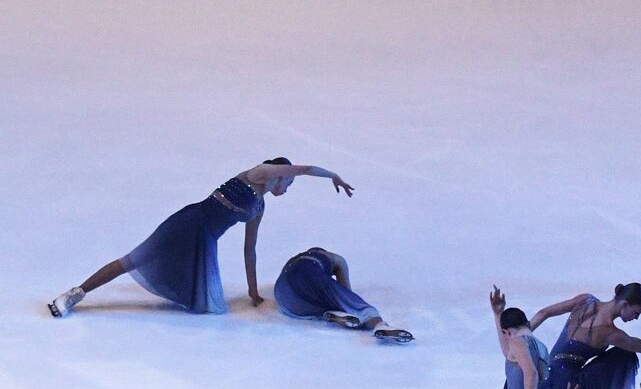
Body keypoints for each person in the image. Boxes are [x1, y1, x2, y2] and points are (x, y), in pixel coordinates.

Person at [48, 158, 353, 317]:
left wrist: (252, 292)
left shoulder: (259, 206)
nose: (287, 189)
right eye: (289, 183)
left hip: (205, 242)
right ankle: (74, 294)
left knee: (213, 308)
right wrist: (333, 176)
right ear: (282, 175)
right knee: (133, 260)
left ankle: (78, 293)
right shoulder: (259, 173)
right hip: (188, 223)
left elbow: (250, 250)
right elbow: (307, 168)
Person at [273, 246, 412, 342]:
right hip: (308, 274)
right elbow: (346, 292)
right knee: (354, 305)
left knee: (318, 304)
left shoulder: (294, 261)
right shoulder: (334, 260)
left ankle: (334, 314)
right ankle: (379, 325)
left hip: (283, 298)